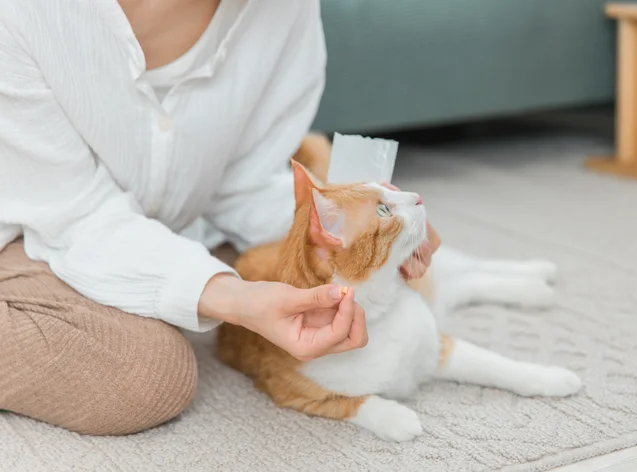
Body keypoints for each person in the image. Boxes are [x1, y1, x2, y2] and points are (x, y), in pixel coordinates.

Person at [0, 0, 440, 436]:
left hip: (128, 225)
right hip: (21, 230)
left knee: (306, 281)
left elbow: (241, 184)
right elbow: (73, 216)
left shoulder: (286, 12)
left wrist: (363, 235)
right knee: (143, 372)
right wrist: (231, 296)